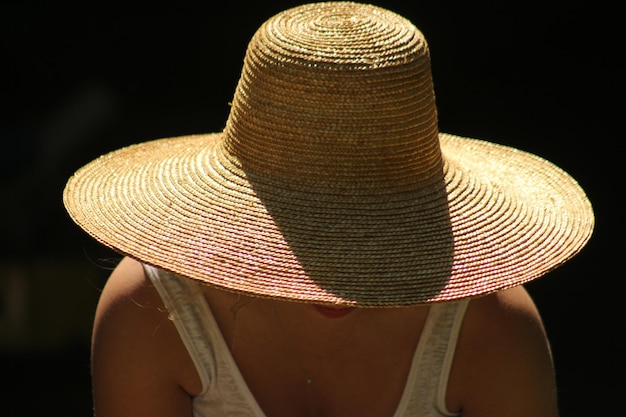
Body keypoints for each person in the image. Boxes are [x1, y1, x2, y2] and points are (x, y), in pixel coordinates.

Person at [63, 2, 594, 417]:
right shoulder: (155, 309)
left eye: (374, 233)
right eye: (299, 233)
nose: (333, 276)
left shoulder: (486, 325)